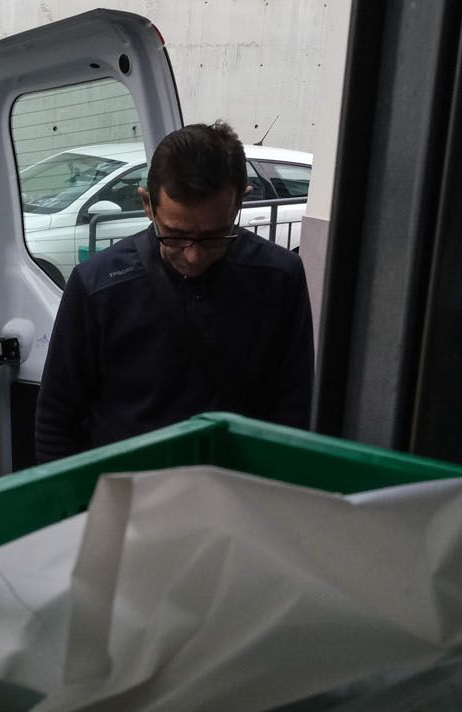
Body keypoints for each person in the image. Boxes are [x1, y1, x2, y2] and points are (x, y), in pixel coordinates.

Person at [33, 121, 314, 462]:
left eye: (214, 236)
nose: (194, 256)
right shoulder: (98, 285)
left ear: (241, 201)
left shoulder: (280, 278)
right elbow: (56, 419)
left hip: (235, 486)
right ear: (147, 205)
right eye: (175, 235)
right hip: (127, 487)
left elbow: (293, 410)